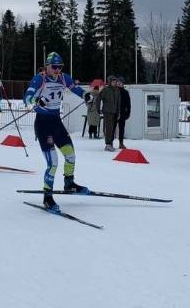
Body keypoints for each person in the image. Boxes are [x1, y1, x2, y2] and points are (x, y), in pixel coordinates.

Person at [24, 52, 87, 212]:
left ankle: (69, 183)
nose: (57, 70)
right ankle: (47, 197)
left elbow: (76, 89)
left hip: (56, 122)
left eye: (60, 67)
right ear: (47, 66)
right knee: (53, 163)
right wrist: (35, 100)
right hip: (43, 124)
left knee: (70, 155)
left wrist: (86, 95)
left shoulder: (64, 78)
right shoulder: (40, 79)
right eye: (54, 67)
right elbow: (27, 97)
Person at [97, 75, 121, 151]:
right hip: (107, 111)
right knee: (109, 128)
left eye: (115, 81)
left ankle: (110, 143)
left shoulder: (117, 90)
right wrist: (98, 109)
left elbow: (118, 102)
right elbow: (98, 98)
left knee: (113, 129)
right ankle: (108, 144)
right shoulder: (106, 90)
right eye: (113, 81)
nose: (114, 83)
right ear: (110, 82)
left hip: (114, 112)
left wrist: (118, 112)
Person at [116, 76, 131, 149]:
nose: (119, 84)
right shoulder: (114, 91)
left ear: (122, 84)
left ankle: (121, 143)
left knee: (121, 129)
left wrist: (128, 113)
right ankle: (110, 143)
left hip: (122, 113)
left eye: (120, 82)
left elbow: (128, 104)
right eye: (118, 82)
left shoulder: (125, 92)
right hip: (114, 113)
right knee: (112, 129)